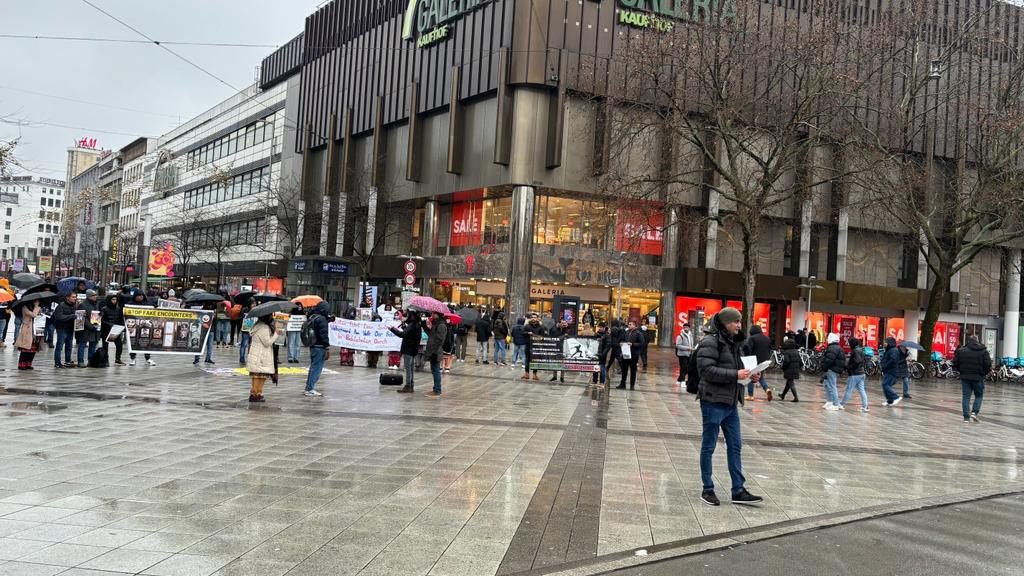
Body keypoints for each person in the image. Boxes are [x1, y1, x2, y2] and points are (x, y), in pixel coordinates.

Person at [695, 307, 763, 507]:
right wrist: (735, 375)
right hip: (712, 400)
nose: (739, 326)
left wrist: (751, 375)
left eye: (740, 322)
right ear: (725, 323)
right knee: (709, 446)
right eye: (735, 322)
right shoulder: (710, 341)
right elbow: (706, 370)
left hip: (731, 402)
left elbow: (737, 369)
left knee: (735, 445)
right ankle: (707, 488)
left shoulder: (736, 343)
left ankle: (738, 490)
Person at [953, 335, 992, 423]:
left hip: (965, 377)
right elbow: (987, 365)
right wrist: (983, 373)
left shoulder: (962, 351)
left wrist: (961, 371)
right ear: (977, 341)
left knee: (966, 396)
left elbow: (955, 363)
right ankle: (974, 412)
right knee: (979, 395)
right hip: (978, 377)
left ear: (968, 341)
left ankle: (966, 417)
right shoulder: (983, 351)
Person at [246, 313, 279, 403]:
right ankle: (256, 394)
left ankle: (256, 393)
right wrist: (276, 334)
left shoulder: (258, 325)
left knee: (259, 375)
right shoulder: (264, 327)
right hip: (261, 355)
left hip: (257, 354)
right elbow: (267, 342)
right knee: (259, 376)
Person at [303, 301, 331, 397]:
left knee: (313, 367)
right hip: (320, 347)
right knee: (317, 369)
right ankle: (310, 388)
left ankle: (308, 387)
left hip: (313, 345)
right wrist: (327, 347)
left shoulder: (313, 317)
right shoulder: (322, 320)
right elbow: (323, 334)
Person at [390, 311, 422, 394]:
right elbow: (410, 334)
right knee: (410, 369)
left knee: (408, 369)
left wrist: (392, 329)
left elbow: (402, 334)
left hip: (408, 349)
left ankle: (408, 386)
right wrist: (404, 326)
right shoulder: (418, 325)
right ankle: (411, 385)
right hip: (413, 350)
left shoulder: (412, 325)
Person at [742, 325, 773, 401]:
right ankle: (767, 389)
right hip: (764, 360)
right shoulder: (767, 338)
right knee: (760, 377)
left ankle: (750, 395)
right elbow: (770, 349)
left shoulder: (752, 338)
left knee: (751, 376)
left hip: (754, 360)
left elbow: (747, 348)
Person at [840, 337, 869, 412]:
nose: (849, 345)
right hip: (862, 373)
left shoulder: (855, 351)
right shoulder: (860, 350)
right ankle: (865, 406)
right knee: (862, 390)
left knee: (849, 389)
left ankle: (842, 404)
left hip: (855, 374)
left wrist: (849, 367)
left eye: (849, 343)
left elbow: (856, 362)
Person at [127, 291, 156, 367]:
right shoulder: (130, 304)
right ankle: (133, 358)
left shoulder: (147, 304)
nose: (140, 297)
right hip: (134, 326)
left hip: (145, 327)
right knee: (133, 342)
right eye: (138, 296)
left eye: (141, 296)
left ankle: (148, 358)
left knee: (146, 342)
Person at [423, 311, 448, 396]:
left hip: (435, 351)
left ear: (438, 315)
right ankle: (436, 388)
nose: (432, 315)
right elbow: (431, 335)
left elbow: (440, 340)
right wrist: (424, 326)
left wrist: (434, 351)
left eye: (434, 314)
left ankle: (437, 389)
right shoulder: (436, 324)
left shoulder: (441, 325)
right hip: (432, 350)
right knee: (434, 370)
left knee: (436, 370)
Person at [52, 292, 78, 368]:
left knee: (69, 346)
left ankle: (68, 361)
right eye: (73, 297)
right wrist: (71, 316)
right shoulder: (61, 306)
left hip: (70, 328)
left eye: (75, 297)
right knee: (59, 346)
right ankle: (57, 363)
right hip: (62, 328)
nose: (75, 298)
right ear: (68, 297)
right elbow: (59, 317)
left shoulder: (74, 306)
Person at [75, 290, 101, 367]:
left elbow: (97, 315)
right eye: (93, 295)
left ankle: (91, 361)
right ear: (89, 296)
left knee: (93, 345)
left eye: (95, 295)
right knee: (82, 344)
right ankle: (80, 361)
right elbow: (81, 317)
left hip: (94, 328)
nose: (95, 297)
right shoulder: (83, 305)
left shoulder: (96, 304)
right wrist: (89, 326)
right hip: (85, 329)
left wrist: (100, 314)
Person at [820, 333, 845, 410]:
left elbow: (829, 360)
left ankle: (835, 404)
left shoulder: (832, 348)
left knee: (831, 386)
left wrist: (824, 367)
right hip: (834, 369)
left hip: (832, 369)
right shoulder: (838, 347)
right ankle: (830, 401)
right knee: (828, 385)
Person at [100, 293, 126, 366]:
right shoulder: (104, 309)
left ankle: (118, 358)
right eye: (113, 299)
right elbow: (101, 320)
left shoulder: (118, 309)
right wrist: (109, 324)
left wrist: (123, 326)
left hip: (115, 330)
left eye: (116, 299)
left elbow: (121, 319)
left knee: (119, 345)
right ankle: (106, 360)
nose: (115, 301)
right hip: (106, 330)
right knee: (105, 346)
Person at [616, 320, 643, 390]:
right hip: (626, 353)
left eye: (630, 324)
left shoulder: (638, 333)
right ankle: (622, 384)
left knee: (633, 370)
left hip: (634, 354)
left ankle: (632, 385)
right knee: (624, 369)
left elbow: (642, 343)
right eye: (629, 324)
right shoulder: (627, 332)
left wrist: (633, 344)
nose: (629, 326)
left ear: (634, 325)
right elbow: (623, 340)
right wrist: (622, 344)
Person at [15, 300, 42, 370]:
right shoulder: (25, 307)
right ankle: (21, 364)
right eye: (35, 300)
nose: (36, 301)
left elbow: (41, 315)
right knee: (25, 349)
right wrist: (36, 306)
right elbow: (33, 315)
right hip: (27, 329)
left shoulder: (37, 307)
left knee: (33, 349)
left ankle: (28, 363)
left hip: (36, 329)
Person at [879, 337, 906, 407]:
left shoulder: (893, 350)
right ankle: (890, 400)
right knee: (886, 385)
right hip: (888, 371)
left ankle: (895, 397)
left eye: (886, 342)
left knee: (885, 384)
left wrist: (885, 366)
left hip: (891, 371)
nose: (884, 343)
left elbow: (892, 360)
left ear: (889, 343)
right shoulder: (889, 350)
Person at [521, 313, 546, 380]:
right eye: (532, 317)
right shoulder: (527, 326)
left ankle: (535, 374)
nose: (533, 318)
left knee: (535, 360)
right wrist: (527, 333)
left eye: (535, 317)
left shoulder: (541, 327)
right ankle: (527, 373)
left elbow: (543, 336)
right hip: (528, 345)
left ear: (537, 318)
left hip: (536, 346)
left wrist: (538, 337)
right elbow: (522, 333)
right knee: (527, 360)